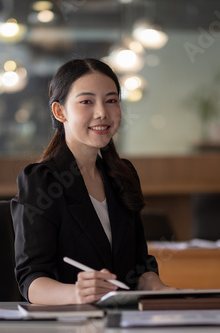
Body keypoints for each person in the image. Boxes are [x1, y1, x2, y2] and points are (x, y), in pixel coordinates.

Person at [11, 58, 173, 305]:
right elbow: (32, 281)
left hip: (124, 320)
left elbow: (139, 267)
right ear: (60, 111)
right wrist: (77, 294)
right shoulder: (42, 180)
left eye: (111, 101)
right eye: (86, 102)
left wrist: (159, 287)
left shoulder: (122, 174)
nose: (102, 113)